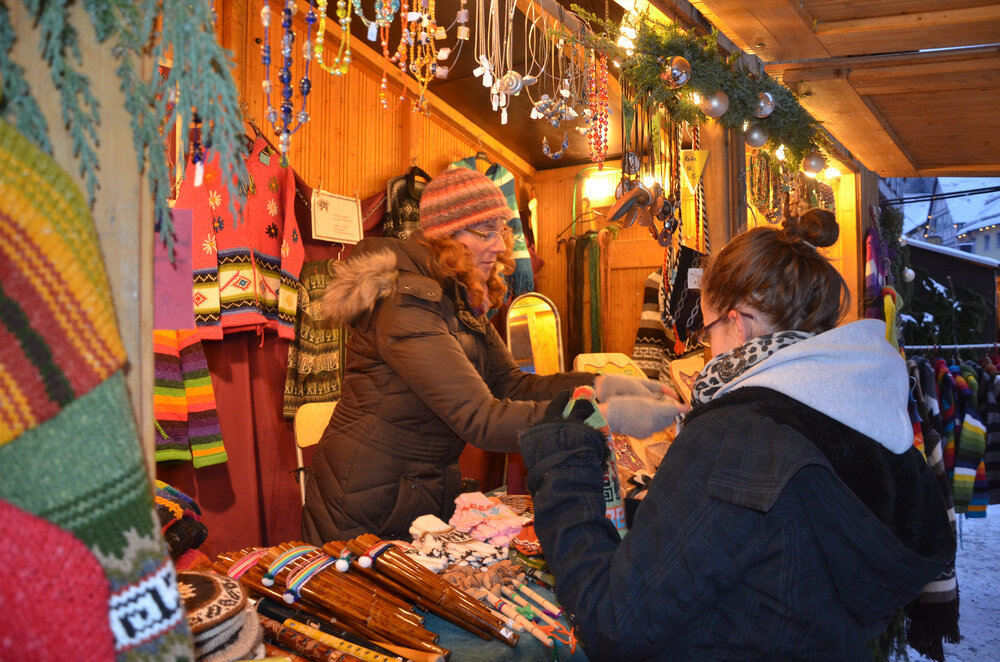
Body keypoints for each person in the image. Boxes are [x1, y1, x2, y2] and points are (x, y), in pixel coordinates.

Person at [519, 209, 956, 660]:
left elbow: (614, 623)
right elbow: (778, 535)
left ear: (738, 322)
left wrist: (565, 465)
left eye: (707, 330)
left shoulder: (738, 433)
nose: (707, 349)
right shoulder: (858, 410)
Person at [302, 167, 682, 544]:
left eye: (501, 230)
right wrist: (602, 416)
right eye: (486, 232)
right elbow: (480, 418)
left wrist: (601, 386)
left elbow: (514, 384)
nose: (500, 245)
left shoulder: (457, 294)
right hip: (366, 499)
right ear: (444, 237)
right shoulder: (406, 302)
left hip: (415, 489)